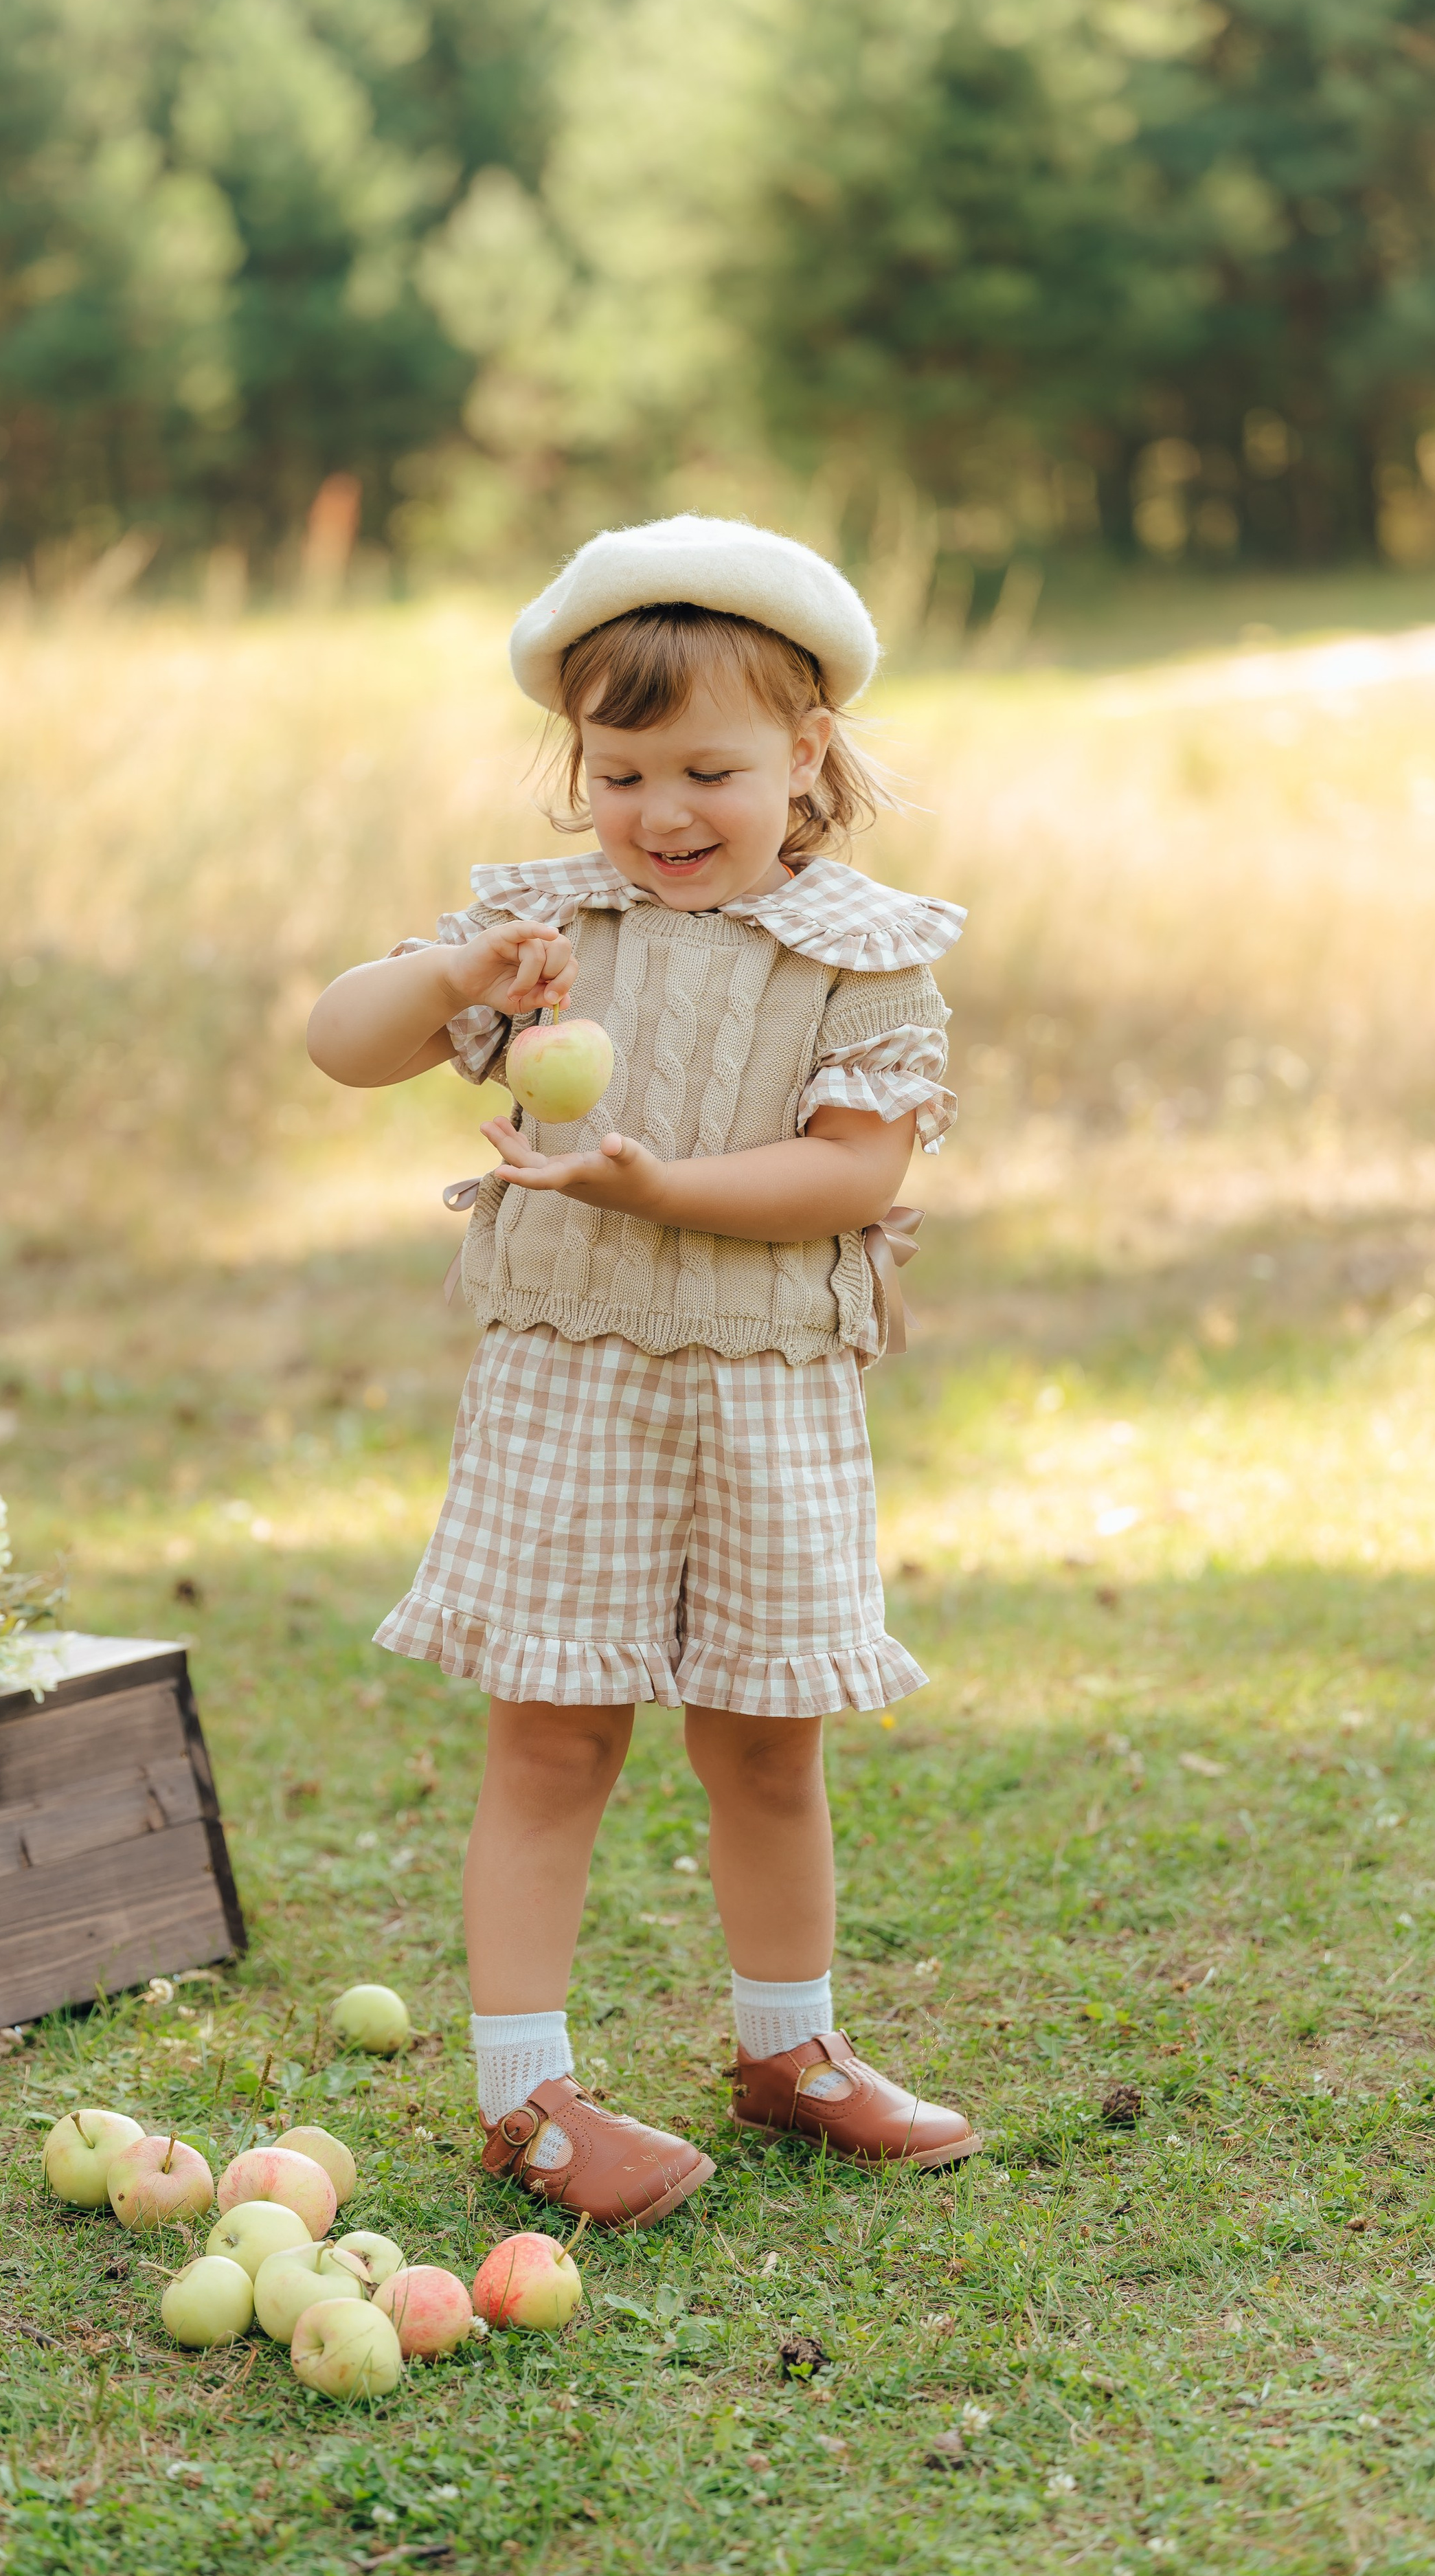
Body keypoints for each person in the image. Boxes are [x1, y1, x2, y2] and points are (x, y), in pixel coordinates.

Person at [306, 513, 981, 2226]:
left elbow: (851, 1172)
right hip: (572, 1384)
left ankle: (788, 2051)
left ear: (804, 752)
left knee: (765, 1742)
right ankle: (523, 2096)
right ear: (576, 765)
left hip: (766, 1392)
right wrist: (451, 973)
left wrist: (654, 1187)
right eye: (618, 775)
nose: (660, 814)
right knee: (553, 1739)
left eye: (707, 771)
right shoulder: (542, 928)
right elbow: (340, 1044)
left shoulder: (862, 950)